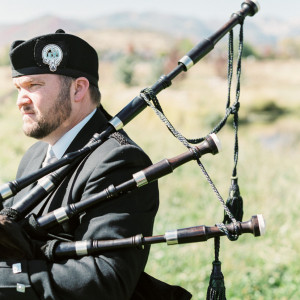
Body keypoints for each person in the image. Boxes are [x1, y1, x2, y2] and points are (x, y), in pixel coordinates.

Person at [0, 29, 161, 300]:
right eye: (19, 88)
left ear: (78, 89)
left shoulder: (119, 160)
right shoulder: (35, 154)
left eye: (34, 86)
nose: (21, 101)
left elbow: (105, 278)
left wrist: (7, 279)